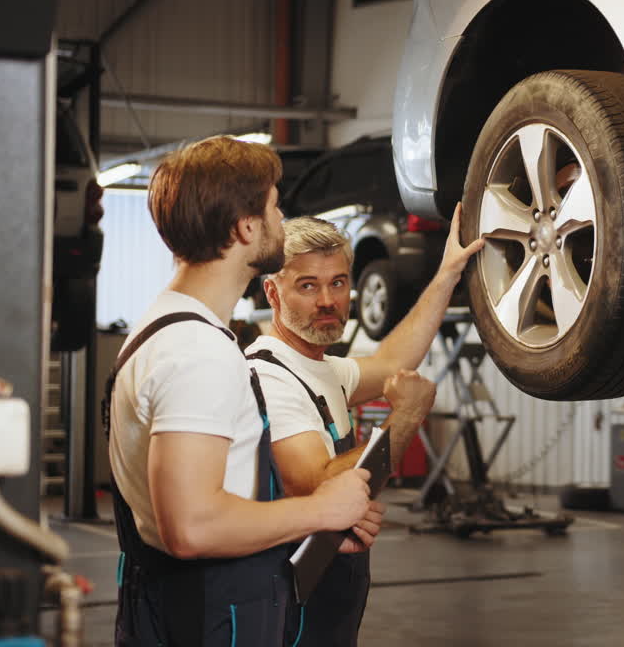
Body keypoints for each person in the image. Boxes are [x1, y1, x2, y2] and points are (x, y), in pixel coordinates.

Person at [105, 136, 385, 647]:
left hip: (184, 605)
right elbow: (190, 526)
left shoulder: (164, 327)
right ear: (245, 226)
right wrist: (321, 511)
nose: (282, 220)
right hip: (208, 617)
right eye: (276, 207)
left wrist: (308, 532)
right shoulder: (198, 353)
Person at [248, 206, 484, 646]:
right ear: (272, 293)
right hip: (289, 615)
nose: (327, 301)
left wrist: (449, 272)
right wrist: (407, 417)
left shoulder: (324, 369)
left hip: (330, 605)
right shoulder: (271, 377)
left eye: (337, 283)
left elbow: (392, 361)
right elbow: (318, 488)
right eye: (307, 286)